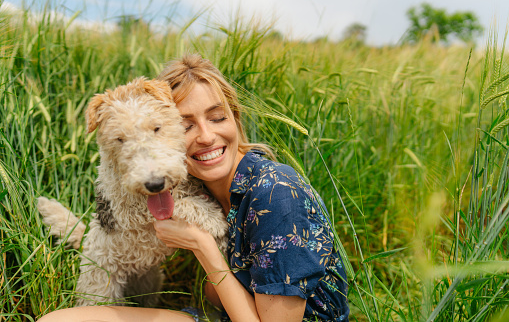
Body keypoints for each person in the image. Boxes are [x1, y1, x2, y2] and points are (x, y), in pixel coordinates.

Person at [38, 54, 349, 322]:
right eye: (186, 126)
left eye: (217, 117)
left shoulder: (276, 193)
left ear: (235, 118)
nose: (206, 136)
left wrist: (202, 244)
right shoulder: (201, 183)